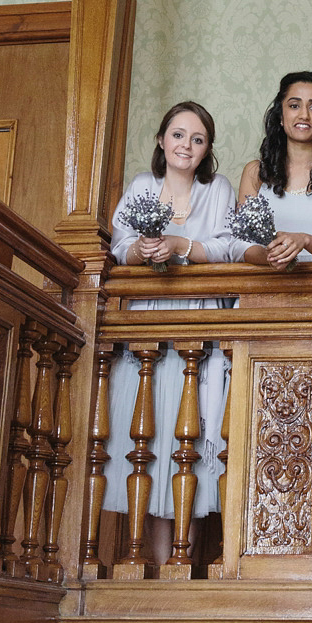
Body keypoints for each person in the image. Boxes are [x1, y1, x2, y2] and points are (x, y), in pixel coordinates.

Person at [103, 101, 238, 567]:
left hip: (199, 321)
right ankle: (149, 561)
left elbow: (227, 248)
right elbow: (118, 246)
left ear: (206, 150)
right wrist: (142, 249)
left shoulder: (217, 188)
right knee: (150, 440)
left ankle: (184, 560)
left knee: (193, 443)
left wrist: (182, 245)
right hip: (148, 326)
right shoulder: (143, 185)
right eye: (178, 135)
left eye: (197, 139)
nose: (186, 145)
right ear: (162, 140)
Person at [237, 72, 312, 266]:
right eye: (294, 106)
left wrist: (305, 240)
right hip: (263, 283)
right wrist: (274, 258)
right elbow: (240, 243)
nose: (304, 115)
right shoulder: (254, 172)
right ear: (280, 115)